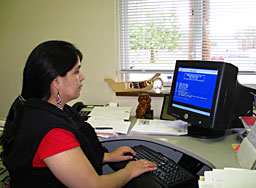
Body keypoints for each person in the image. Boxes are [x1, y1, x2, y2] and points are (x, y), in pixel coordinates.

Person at [0, 40, 157, 187]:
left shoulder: (42, 108)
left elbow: (66, 159)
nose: (82, 77)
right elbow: (95, 186)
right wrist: (128, 172)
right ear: (56, 81)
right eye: (76, 72)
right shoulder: (53, 132)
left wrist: (106, 157)